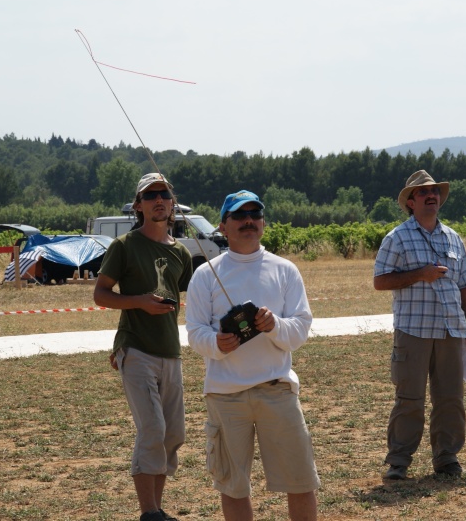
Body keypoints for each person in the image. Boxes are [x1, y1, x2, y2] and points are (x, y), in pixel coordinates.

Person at [186, 190, 321, 521]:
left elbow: (301, 329)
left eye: (255, 214)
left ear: (263, 222)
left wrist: (274, 325)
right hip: (225, 396)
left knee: (301, 482)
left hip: (278, 391)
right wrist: (218, 343)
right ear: (223, 226)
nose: (248, 221)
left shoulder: (286, 270)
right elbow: (194, 333)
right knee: (233, 486)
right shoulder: (205, 275)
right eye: (239, 215)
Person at [93, 173, 193, 521]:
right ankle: (148, 512)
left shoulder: (181, 252)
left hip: (171, 351)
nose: (158, 200)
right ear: (138, 206)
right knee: (152, 429)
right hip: (135, 348)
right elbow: (101, 294)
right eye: (150, 195)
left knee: (173, 434)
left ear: (172, 203)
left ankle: (157, 509)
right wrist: (140, 303)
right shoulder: (125, 246)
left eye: (164, 194)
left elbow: (188, 296)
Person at [373, 170, 466, 481]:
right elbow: (380, 281)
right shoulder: (397, 238)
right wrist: (420, 273)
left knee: (450, 399)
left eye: (434, 191)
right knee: (410, 399)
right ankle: (399, 462)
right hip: (413, 331)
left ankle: (447, 459)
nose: (430, 195)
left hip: (450, 330)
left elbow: (463, 286)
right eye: (422, 192)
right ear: (410, 202)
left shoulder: (454, 238)